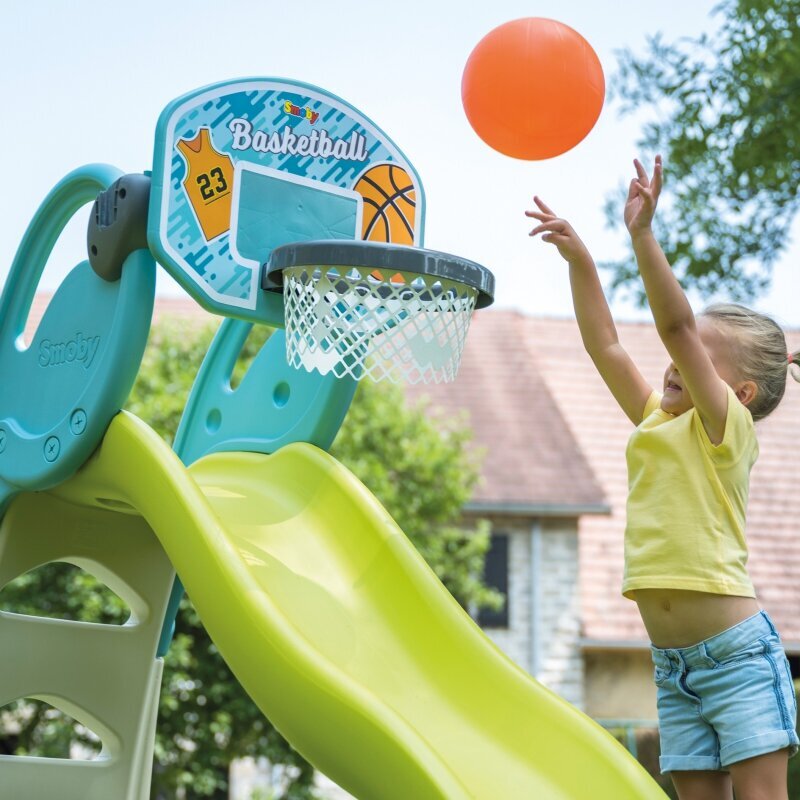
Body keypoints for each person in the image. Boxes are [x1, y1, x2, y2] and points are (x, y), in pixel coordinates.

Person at [526, 155, 800, 800]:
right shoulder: (656, 418)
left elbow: (674, 325)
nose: (675, 361)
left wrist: (643, 236)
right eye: (679, 356)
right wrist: (582, 263)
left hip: (734, 656)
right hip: (672, 664)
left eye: (695, 356)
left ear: (739, 389)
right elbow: (607, 347)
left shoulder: (725, 430)